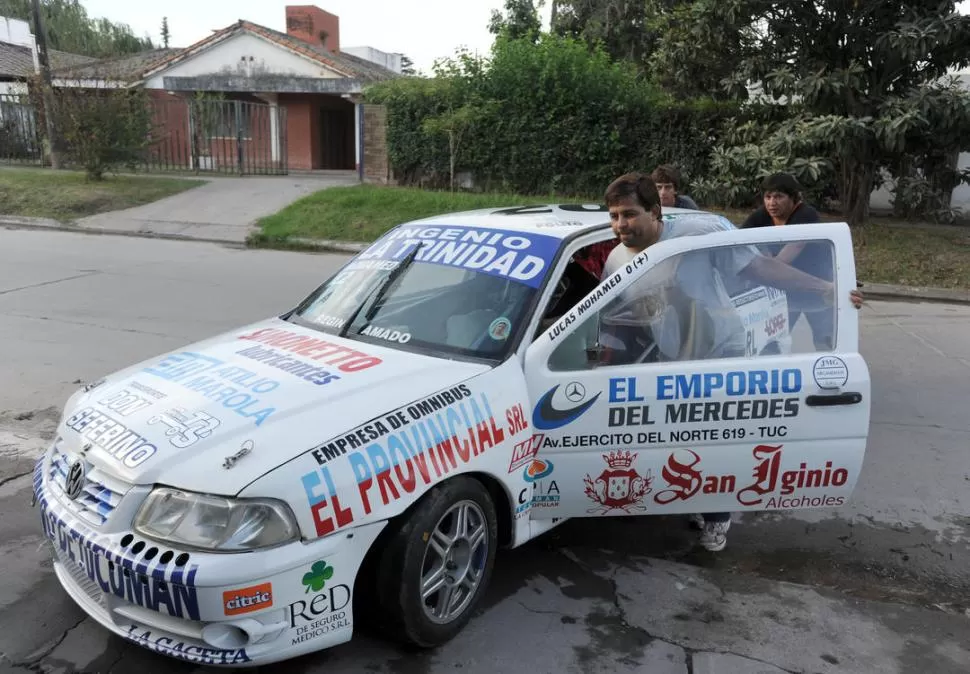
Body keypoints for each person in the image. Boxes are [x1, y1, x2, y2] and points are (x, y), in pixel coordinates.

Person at [599, 172, 861, 552]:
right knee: (679, 443)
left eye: (629, 214)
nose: (620, 224)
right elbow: (617, 321)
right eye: (614, 216)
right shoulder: (615, 260)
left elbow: (762, 268)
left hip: (722, 357)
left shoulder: (696, 235)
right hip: (670, 363)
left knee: (716, 446)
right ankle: (693, 498)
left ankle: (717, 519)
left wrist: (826, 289)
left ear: (655, 211)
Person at [741, 172, 863, 348]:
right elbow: (738, 242)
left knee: (827, 342)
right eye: (768, 197)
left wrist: (764, 262)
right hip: (786, 291)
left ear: (793, 198)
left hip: (818, 288)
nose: (772, 203)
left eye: (778, 196)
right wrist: (763, 253)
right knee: (773, 342)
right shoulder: (761, 216)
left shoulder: (806, 214)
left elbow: (786, 257)